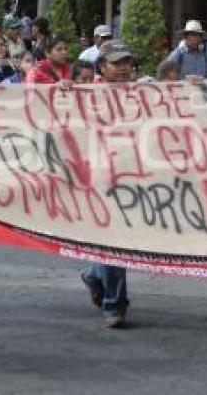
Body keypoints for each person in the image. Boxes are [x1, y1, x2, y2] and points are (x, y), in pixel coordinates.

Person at [80, 40, 134, 328]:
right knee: (115, 240)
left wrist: (191, 87)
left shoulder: (143, 91)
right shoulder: (87, 93)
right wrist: (62, 93)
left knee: (114, 240)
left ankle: (93, 274)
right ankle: (115, 303)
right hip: (98, 177)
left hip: (133, 177)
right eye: (117, 63)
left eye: (127, 62)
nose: (124, 68)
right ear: (102, 67)